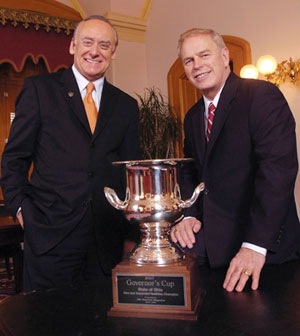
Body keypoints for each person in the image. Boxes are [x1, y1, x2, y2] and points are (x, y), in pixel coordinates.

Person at [0, 15, 140, 292]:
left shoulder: (126, 105)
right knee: (47, 322)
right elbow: (14, 158)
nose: (94, 51)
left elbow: (130, 172)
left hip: (105, 240)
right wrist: (20, 208)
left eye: (104, 45)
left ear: (113, 52)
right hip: (50, 235)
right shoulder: (40, 90)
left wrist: (132, 233)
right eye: (87, 42)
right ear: (73, 46)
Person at [170, 28, 300, 292]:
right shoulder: (194, 116)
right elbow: (190, 173)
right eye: (189, 60)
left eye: (204, 55)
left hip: (263, 249)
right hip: (213, 246)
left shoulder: (262, 96)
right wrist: (187, 215)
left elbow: (277, 174)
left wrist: (254, 246)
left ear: (224, 55)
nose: (197, 66)